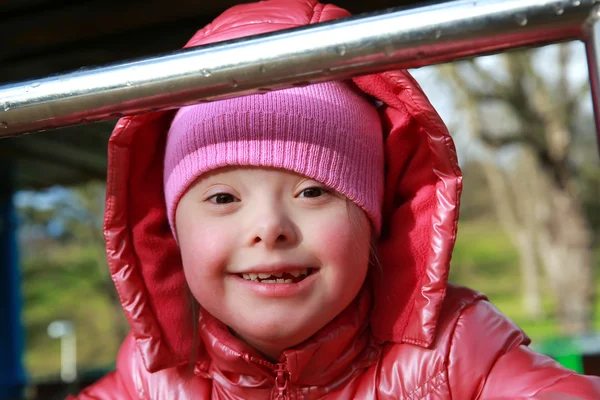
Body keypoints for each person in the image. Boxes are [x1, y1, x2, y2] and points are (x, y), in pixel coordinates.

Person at [71, 0, 600, 398]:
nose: (270, 227)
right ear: (170, 233)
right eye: (223, 197)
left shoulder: (454, 352)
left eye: (313, 190)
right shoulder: (153, 376)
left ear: (373, 220)